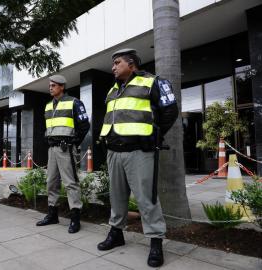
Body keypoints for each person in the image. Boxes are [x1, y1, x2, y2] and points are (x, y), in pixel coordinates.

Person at [97, 49, 178, 267]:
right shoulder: (113, 89)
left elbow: (170, 111)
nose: (113, 67)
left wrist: (154, 135)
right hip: (114, 151)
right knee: (116, 197)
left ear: (131, 64)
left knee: (146, 198)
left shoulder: (153, 82)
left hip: (139, 151)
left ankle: (155, 241)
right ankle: (116, 233)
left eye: (117, 62)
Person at [36, 74, 90, 233]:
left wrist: (74, 143)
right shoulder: (47, 106)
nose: (50, 88)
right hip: (52, 149)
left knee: (70, 182)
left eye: (53, 85)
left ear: (62, 87)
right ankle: (52, 214)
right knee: (51, 182)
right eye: (50, 85)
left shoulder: (74, 102)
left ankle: (75, 218)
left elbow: (84, 125)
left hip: (66, 148)